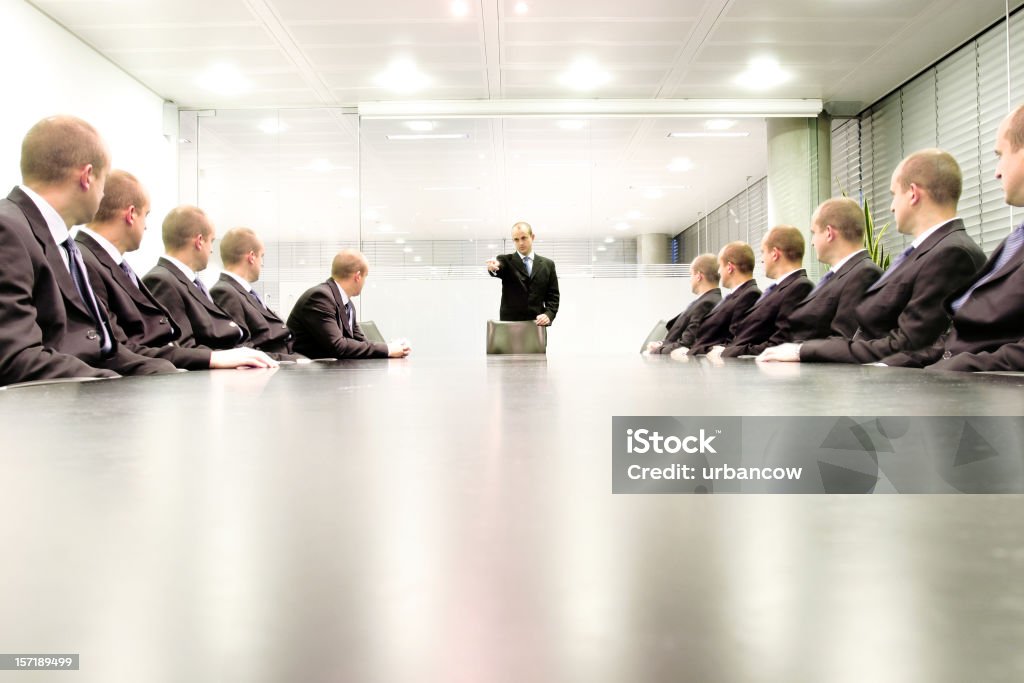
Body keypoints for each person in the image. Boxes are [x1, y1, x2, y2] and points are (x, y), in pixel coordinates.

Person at [759, 149, 986, 363]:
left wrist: (803, 350)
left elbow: (909, 344)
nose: (891, 207)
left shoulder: (950, 253)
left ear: (913, 194)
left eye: (893, 195)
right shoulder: (930, 251)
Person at [0, 115, 176, 386]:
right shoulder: (8, 229)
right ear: (87, 177)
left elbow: (104, 348)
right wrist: (111, 384)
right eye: (103, 181)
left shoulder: (65, 246)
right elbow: (15, 358)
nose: (104, 194)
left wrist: (170, 373)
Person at [75, 171, 275, 371]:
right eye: (147, 215)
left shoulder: (110, 264)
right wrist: (209, 359)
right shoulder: (85, 261)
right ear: (131, 214)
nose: (146, 227)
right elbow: (115, 349)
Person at [883, 105, 1024, 371]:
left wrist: (946, 372)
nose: (996, 172)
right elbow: (962, 339)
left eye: (1000, 155)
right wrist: (888, 366)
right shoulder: (1016, 240)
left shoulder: (954, 252)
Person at [754, 198, 882, 359]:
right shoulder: (839, 276)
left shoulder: (864, 274)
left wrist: (797, 351)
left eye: (814, 233)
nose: (812, 242)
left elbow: (844, 343)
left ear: (829, 233)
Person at [143, 205, 249, 350]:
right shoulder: (162, 281)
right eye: (211, 241)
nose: (212, 250)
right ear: (199, 241)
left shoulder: (185, 282)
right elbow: (183, 348)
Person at [287, 249, 411, 359]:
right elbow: (338, 346)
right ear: (357, 276)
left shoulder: (346, 303)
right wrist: (388, 349)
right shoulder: (320, 297)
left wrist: (392, 347)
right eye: (365, 276)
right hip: (308, 377)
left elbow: (360, 342)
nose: (364, 282)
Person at [717, 225, 814, 358]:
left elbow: (780, 345)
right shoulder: (777, 289)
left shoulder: (800, 287)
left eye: (763, 252)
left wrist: (728, 352)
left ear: (775, 253)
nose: (762, 259)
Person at [211, 227, 301, 359]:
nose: (262, 263)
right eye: (262, 256)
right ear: (252, 257)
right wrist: (292, 360)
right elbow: (241, 350)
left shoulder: (242, 292)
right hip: (273, 367)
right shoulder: (224, 292)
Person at [675, 242, 761, 357]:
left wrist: (691, 352)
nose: (719, 271)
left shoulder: (750, 295)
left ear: (730, 267)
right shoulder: (735, 295)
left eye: (720, 266)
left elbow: (734, 340)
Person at [485, 221, 560, 326]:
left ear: (532, 237)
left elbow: (553, 297)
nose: (520, 243)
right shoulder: (506, 260)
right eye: (516, 239)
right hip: (510, 325)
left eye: (524, 238)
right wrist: (494, 267)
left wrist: (548, 314)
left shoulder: (548, 265)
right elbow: (499, 266)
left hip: (536, 324)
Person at [646, 254, 722, 355]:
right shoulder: (708, 300)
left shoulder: (706, 303)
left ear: (699, 276)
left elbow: (686, 344)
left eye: (691, 274)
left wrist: (656, 351)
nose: (690, 280)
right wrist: (661, 344)